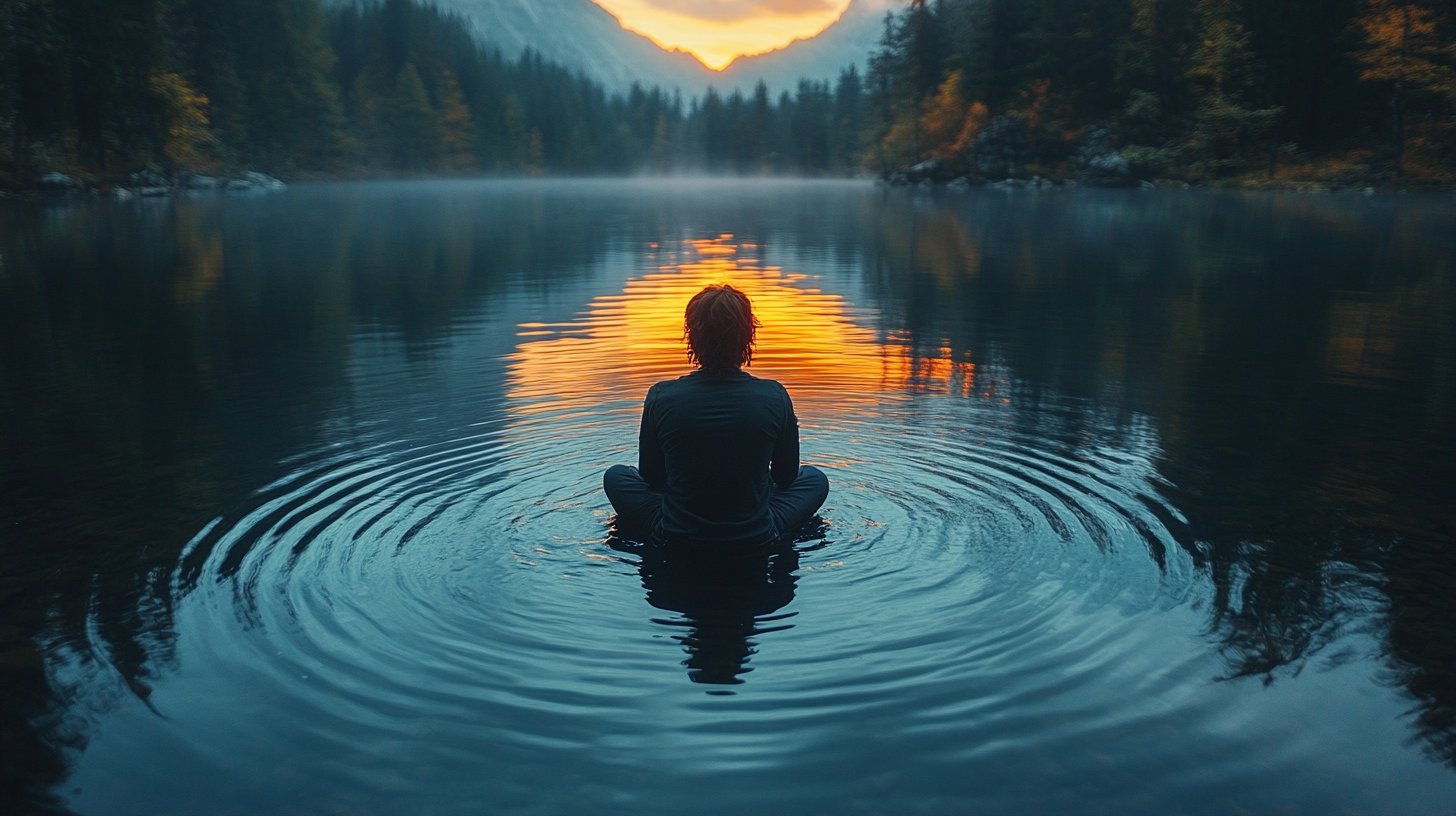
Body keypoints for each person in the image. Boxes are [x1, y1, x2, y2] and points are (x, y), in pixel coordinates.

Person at [604, 283, 828, 546]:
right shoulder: (774, 396)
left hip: (675, 532)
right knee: (814, 479)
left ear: (692, 337)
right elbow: (786, 478)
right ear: (748, 337)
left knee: (617, 475)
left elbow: (652, 480)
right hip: (757, 533)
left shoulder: (661, 396)